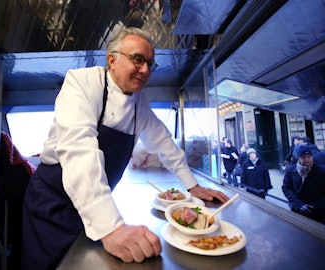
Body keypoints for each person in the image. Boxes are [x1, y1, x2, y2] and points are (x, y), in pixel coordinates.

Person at [21, 27, 229, 269]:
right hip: (51, 204)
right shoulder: (82, 83)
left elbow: (163, 142)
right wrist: (111, 228)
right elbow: (80, 153)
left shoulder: (139, 102)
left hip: (92, 202)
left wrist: (192, 185)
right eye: (138, 59)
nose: (145, 70)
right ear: (112, 60)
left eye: (150, 64)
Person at [282, 144, 325, 224]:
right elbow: (286, 188)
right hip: (298, 210)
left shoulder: (321, 171)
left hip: (317, 212)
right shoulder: (290, 170)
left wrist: (312, 206)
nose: (307, 160)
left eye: (309, 156)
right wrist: (298, 205)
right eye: (304, 157)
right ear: (298, 158)